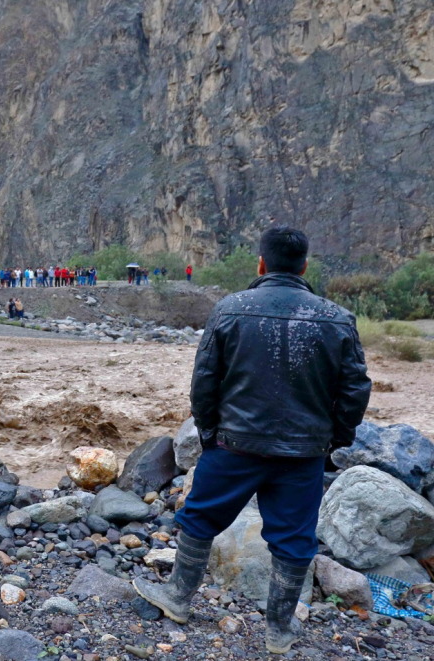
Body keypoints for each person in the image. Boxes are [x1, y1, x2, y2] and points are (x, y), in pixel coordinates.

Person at [132, 227, 371, 655]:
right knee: (295, 538)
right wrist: (333, 440)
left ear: (261, 264)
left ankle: (179, 599)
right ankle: (279, 630)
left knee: (200, 518)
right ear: (304, 266)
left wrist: (209, 435)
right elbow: (355, 390)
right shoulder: (336, 318)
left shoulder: (231, 309)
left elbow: (204, 383)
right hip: (303, 453)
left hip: (234, 446)